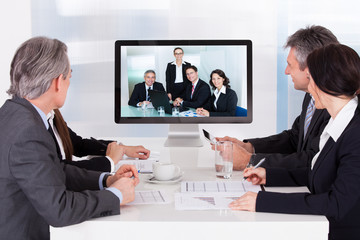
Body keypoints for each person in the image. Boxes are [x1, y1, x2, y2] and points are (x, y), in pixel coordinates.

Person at [0, 36, 139, 240]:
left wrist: (107, 180)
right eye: (69, 77)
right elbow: (60, 210)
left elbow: (52, 170)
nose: (68, 83)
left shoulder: (14, 113)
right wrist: (116, 196)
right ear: (57, 81)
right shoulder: (28, 131)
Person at [230, 44, 360, 240]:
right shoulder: (338, 121)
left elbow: (337, 204)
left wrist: (264, 201)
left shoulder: (355, 134)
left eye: (311, 79)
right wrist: (269, 175)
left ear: (325, 83)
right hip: (319, 228)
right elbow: (317, 174)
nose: (309, 87)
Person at [216, 25, 338, 170]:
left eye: (290, 65)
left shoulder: (335, 106)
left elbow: (315, 160)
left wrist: (250, 160)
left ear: (310, 68)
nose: (286, 71)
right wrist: (249, 147)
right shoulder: (311, 96)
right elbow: (295, 138)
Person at [51, 109, 150, 172]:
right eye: (67, 79)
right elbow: (59, 169)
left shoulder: (52, 114)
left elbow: (78, 145)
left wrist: (121, 148)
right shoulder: (39, 126)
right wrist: (109, 161)